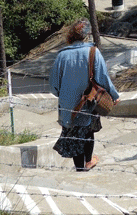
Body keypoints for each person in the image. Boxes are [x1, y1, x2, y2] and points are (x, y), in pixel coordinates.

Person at [50, 18, 120, 171]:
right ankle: (88, 162)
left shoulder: (61, 56)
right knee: (88, 132)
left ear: (72, 35)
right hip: (88, 102)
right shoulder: (93, 52)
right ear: (87, 35)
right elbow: (103, 78)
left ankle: (79, 167)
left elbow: (54, 86)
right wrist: (114, 95)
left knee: (75, 135)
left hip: (69, 106)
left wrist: (64, 96)